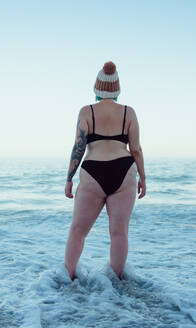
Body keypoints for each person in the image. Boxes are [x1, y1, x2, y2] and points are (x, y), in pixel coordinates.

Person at [64, 61, 146, 281]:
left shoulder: (86, 111)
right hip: (124, 170)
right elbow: (135, 149)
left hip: (93, 171)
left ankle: (68, 278)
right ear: (117, 89)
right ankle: (116, 283)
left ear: (97, 88)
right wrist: (143, 178)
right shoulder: (129, 112)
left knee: (78, 231)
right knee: (119, 233)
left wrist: (69, 178)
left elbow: (78, 147)